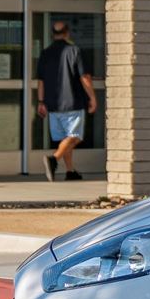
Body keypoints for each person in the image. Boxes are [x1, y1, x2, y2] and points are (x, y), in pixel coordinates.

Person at [35, 20, 98, 181]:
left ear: (52, 35)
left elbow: (40, 81)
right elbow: (85, 77)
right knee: (75, 136)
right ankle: (53, 159)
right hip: (73, 102)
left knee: (65, 139)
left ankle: (70, 171)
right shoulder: (74, 51)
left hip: (53, 104)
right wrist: (92, 97)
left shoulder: (45, 53)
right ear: (67, 33)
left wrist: (41, 102)